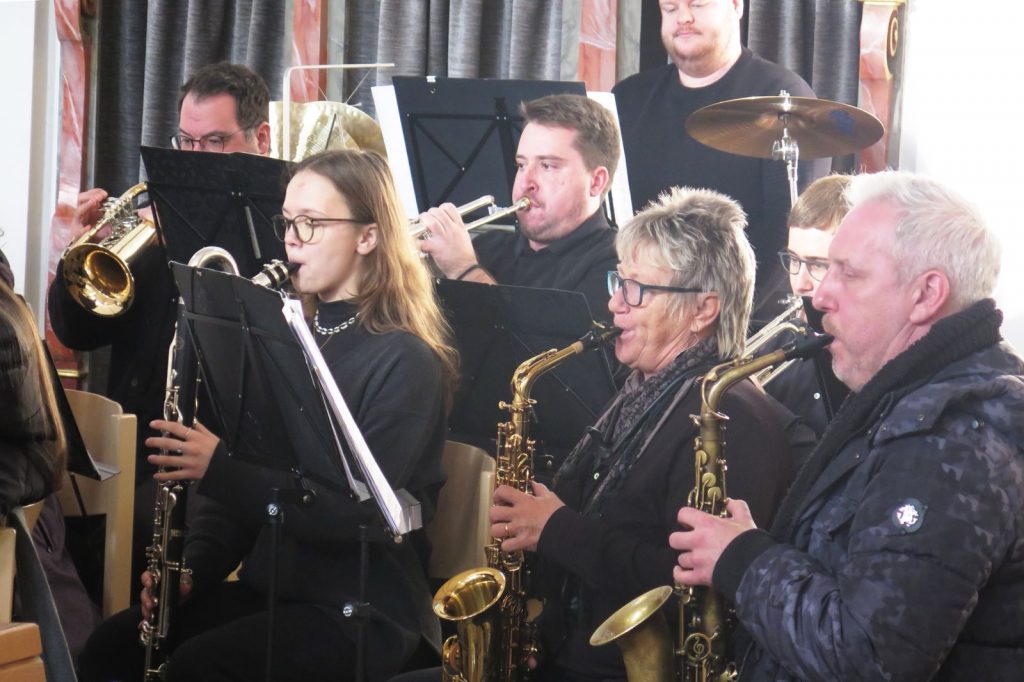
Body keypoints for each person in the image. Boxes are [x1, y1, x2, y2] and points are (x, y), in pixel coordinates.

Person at [78, 148, 459, 682]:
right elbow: (239, 500)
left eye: (312, 224)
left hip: (362, 610)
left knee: (198, 668)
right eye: (287, 222)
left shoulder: (406, 359)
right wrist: (194, 570)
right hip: (277, 590)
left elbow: (362, 517)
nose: (292, 240)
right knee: (111, 647)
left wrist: (220, 468)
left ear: (368, 237)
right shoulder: (282, 340)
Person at [396, 187, 798, 682]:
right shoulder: (642, 389)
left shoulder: (728, 419)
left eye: (636, 289)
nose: (613, 304)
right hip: (572, 652)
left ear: (703, 309)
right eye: (617, 281)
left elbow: (692, 589)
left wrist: (555, 529)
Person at [670, 170, 1024, 680]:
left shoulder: (955, 438)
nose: (819, 297)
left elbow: (869, 657)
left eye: (848, 273)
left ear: (926, 294)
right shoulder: (920, 398)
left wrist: (743, 560)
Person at [47, 61, 272, 587]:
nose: (194, 159)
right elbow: (78, 334)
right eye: (186, 142)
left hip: (215, 462)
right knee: (51, 522)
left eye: (214, 142)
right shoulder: (147, 225)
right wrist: (79, 250)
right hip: (132, 451)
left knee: (116, 543)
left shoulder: (280, 233)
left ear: (261, 138)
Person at [612, 0, 828, 320]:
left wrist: (712, 318)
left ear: (736, 5)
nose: (684, 17)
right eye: (670, 8)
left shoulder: (785, 101)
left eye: (698, 4)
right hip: (642, 313)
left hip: (742, 321)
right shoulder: (628, 99)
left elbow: (787, 237)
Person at [416, 93, 620, 324]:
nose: (525, 182)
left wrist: (464, 269)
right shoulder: (487, 247)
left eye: (547, 166)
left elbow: (541, 346)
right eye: (521, 165)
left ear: (596, 182)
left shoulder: (618, 266)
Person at [764, 174, 852, 437]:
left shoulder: (876, 359)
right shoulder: (779, 342)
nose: (799, 284)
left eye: (818, 265)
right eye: (794, 260)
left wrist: (762, 410)